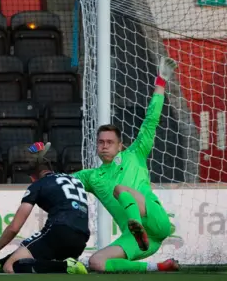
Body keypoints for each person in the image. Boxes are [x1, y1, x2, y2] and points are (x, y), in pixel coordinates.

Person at [73, 57, 180, 273]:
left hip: (155, 219)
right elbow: (63, 183)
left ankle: (136, 223)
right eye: (101, 142)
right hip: (141, 241)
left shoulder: (135, 154)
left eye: (110, 142)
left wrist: (160, 83)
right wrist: (40, 163)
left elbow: (151, 122)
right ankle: (158, 266)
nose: (104, 146)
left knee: (120, 189)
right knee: (96, 263)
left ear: (121, 145)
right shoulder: (91, 176)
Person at [0, 142, 89, 275]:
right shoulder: (73, 180)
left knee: (11, 267)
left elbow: (14, 228)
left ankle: (65, 267)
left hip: (59, 231)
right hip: (81, 239)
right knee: (31, 254)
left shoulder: (38, 185)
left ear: (33, 174)